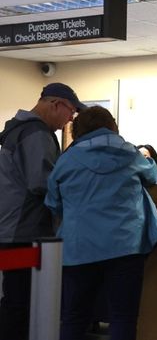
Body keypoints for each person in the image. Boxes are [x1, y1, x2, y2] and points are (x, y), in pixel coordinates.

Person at [44, 105, 157, 340]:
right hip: (125, 247)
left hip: (78, 249)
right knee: (122, 316)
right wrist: (148, 161)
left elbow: (53, 203)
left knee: (74, 317)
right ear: (112, 126)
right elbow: (152, 176)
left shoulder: (66, 161)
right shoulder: (129, 153)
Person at [0, 82, 86, 340]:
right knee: (21, 302)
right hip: (24, 234)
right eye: (70, 111)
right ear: (54, 104)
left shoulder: (16, 130)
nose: (70, 119)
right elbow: (42, 182)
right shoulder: (36, 133)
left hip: (11, 232)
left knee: (14, 299)